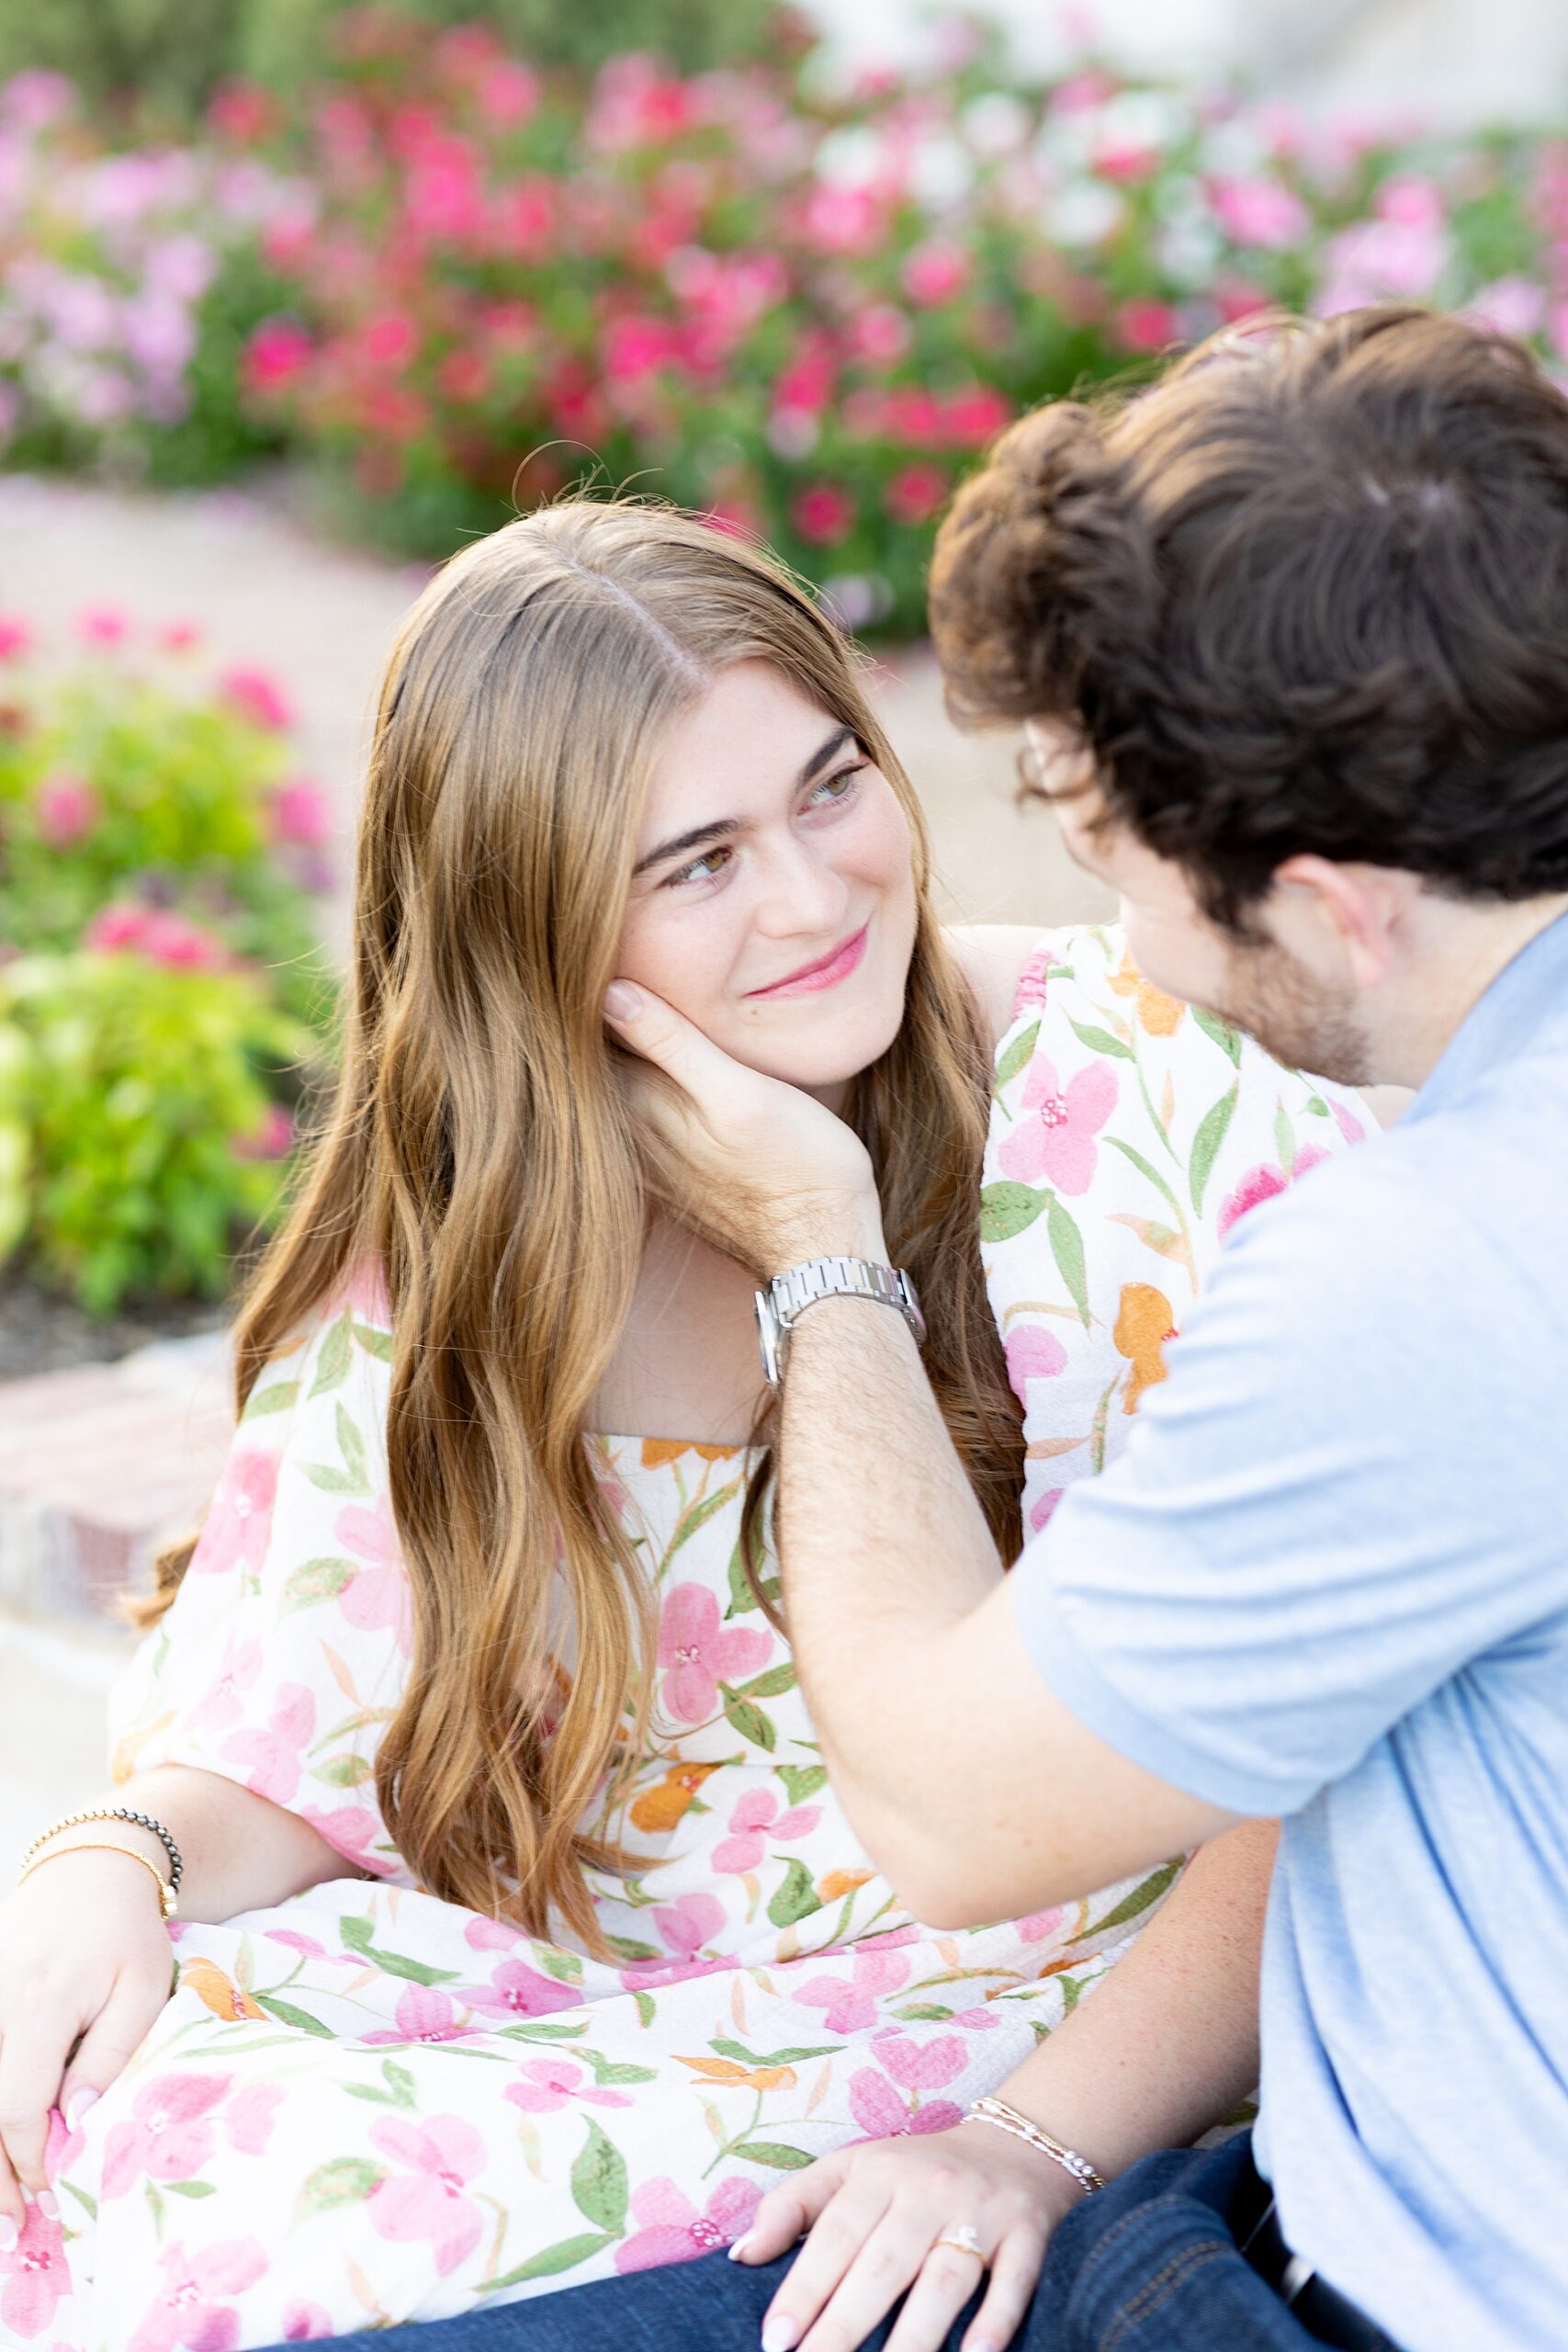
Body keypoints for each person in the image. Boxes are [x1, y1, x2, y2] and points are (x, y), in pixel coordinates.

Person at [0, 503, 1365, 2352]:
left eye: (828, 786)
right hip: (631, 2001)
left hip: (1052, 2015)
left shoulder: (1144, 1088)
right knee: (128, 2132)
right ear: (528, 917)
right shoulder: (473, 1217)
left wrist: (1024, 2141)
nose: (814, 895)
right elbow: (290, 1727)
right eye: (699, 860)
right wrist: (112, 1862)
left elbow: (1334, 1764)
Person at [423, 304, 1565, 2352]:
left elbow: (950, 1811)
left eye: (1111, 841)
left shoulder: (1425, 1269)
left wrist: (814, 1241)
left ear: (1327, 905)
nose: (1080, 911)